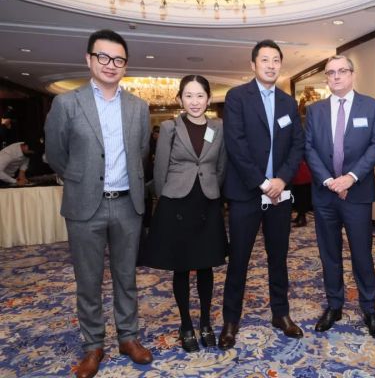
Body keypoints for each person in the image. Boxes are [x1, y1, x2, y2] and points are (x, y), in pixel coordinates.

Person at [44, 29, 152, 378]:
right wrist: (81, 178)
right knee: (88, 280)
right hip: (84, 206)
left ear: (125, 65)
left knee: (126, 277)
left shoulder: (138, 107)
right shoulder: (67, 103)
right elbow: (56, 154)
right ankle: (93, 345)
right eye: (103, 57)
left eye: (118, 59)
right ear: (89, 59)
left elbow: (141, 153)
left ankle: (128, 337)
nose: (111, 64)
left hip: (127, 205)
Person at [219, 39, 305, 350]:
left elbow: (297, 144)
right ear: (253, 65)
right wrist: (262, 182)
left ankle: (280, 314)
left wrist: (281, 179)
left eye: (276, 60)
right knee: (239, 260)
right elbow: (236, 144)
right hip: (246, 194)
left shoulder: (288, 102)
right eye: (265, 60)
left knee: (278, 258)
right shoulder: (237, 97)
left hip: (280, 195)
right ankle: (231, 320)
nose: (271, 65)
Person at [139, 75, 227, 352]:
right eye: (188, 95)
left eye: (200, 95)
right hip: (177, 204)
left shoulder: (218, 127)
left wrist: (211, 189)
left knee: (206, 265)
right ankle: (186, 324)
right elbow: (160, 169)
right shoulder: (170, 127)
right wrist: (167, 198)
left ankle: (205, 322)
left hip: (207, 203)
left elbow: (221, 166)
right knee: (182, 266)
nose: (195, 101)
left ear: (208, 99)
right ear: (179, 99)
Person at [305, 55, 375, 339]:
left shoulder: (371, 106)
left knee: (362, 253)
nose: (336, 76)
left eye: (342, 71)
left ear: (352, 74)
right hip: (324, 194)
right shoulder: (314, 111)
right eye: (331, 72)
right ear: (326, 78)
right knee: (329, 254)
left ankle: (369, 308)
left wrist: (350, 177)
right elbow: (309, 148)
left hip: (357, 193)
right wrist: (329, 181)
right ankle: (334, 305)